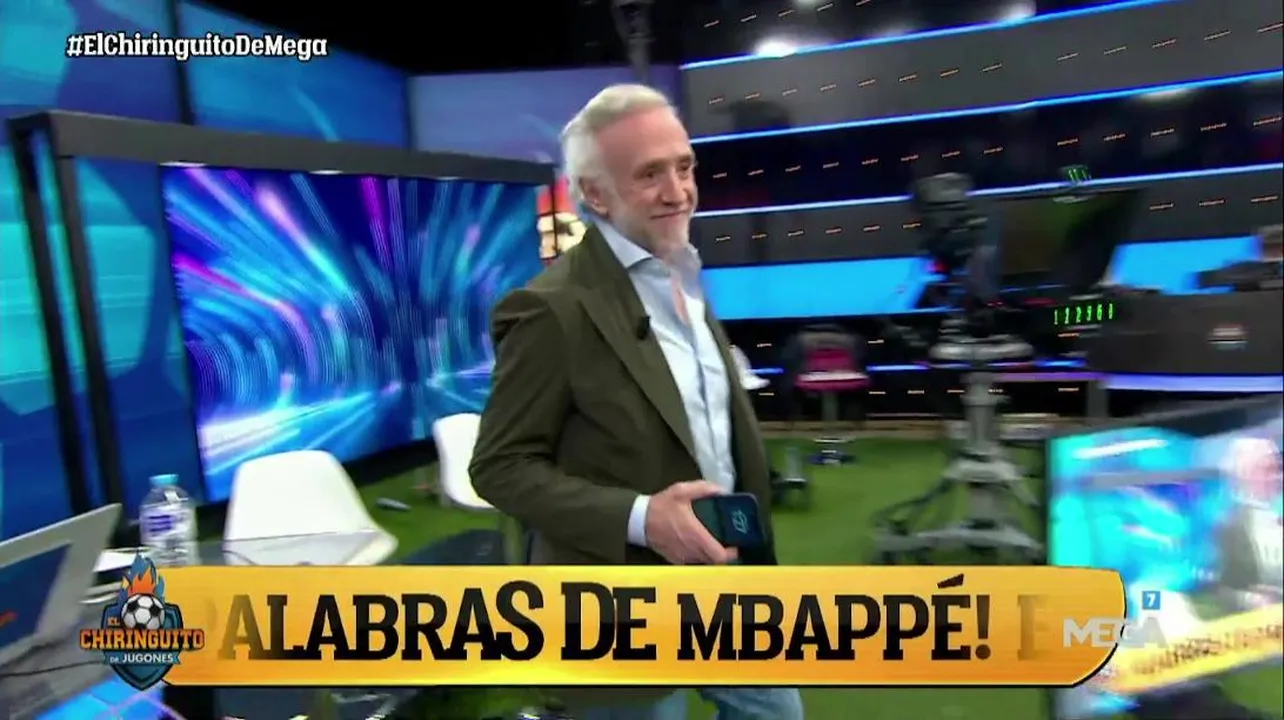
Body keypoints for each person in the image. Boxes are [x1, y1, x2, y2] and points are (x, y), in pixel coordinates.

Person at [469, 84, 804, 720]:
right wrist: (645, 518)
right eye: (650, 174)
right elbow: (499, 467)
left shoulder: (683, 271)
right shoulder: (551, 310)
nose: (678, 191)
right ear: (596, 195)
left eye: (684, 167)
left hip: (727, 576)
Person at [1214, 434, 1283, 612]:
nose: (1277, 477)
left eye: (1278, 469)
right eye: (1267, 470)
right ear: (1246, 474)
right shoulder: (1229, 526)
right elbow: (1221, 589)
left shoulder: (1278, 514)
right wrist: (1252, 600)